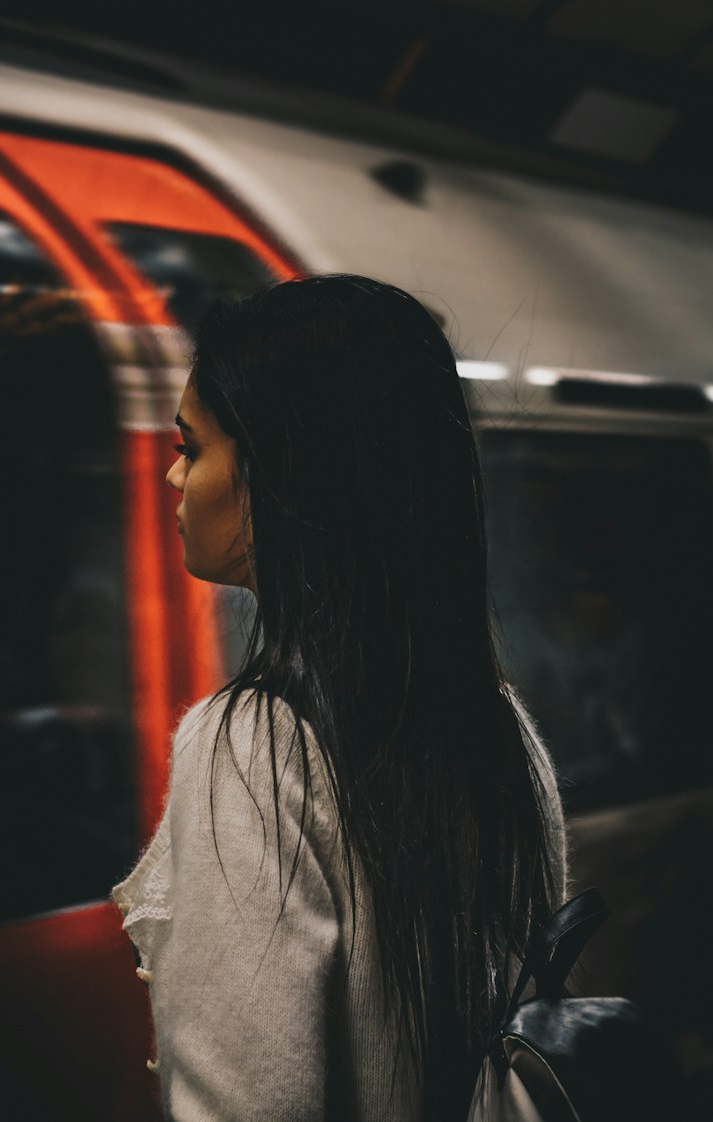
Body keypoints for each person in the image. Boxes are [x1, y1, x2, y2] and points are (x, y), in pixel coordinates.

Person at [112, 275, 567, 1121]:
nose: (175, 476)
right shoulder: (504, 731)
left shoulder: (247, 748)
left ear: (279, 475)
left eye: (193, 445)